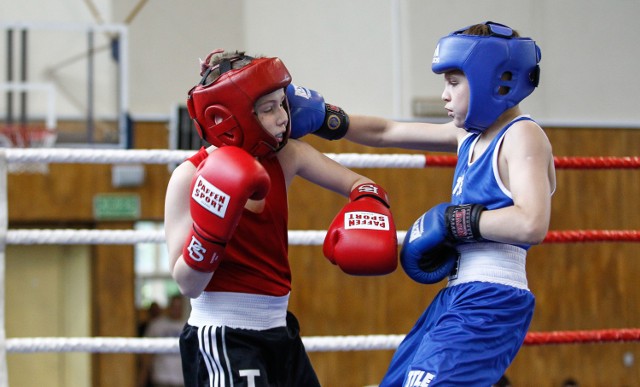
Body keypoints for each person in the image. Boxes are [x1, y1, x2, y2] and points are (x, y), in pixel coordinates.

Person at [295, 21, 555, 386]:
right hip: (457, 294)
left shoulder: (522, 135)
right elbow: (387, 132)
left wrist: (454, 221)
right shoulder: (470, 136)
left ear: (492, 78)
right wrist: (327, 118)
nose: (444, 95)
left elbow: (532, 223)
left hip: (492, 297)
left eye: (453, 81)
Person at [164, 49, 399, 387]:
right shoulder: (188, 177)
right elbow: (187, 284)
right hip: (223, 333)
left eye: (282, 104)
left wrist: (368, 204)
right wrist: (211, 233)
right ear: (233, 116)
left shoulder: (287, 156)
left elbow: (362, 185)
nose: (282, 118)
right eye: (268, 108)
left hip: (279, 330)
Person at [138, 295, 187, 387]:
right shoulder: (156, 325)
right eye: (174, 306)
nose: (176, 310)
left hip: (181, 379)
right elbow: (146, 354)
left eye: (178, 307)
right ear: (169, 307)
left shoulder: (189, 327)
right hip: (160, 378)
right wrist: (142, 377)